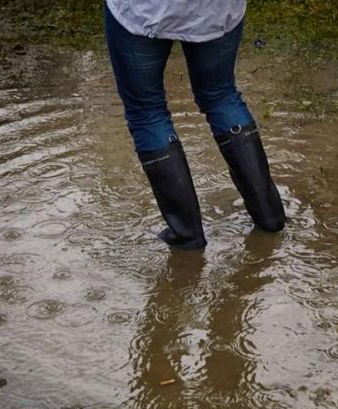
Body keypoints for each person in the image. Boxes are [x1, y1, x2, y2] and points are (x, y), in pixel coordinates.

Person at [104, 0, 286, 250]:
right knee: (221, 96)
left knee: (147, 113)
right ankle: (270, 216)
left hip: (144, 10)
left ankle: (187, 236)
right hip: (216, 8)